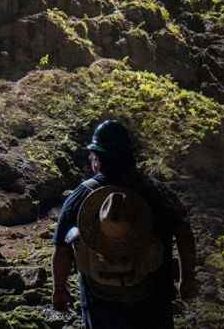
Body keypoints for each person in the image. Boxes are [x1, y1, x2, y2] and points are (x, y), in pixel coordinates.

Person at [51, 120, 198, 329]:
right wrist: (187, 279)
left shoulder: (80, 197)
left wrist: (59, 289)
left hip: (101, 305)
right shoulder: (157, 194)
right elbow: (184, 233)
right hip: (152, 303)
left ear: (97, 160)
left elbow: (62, 249)